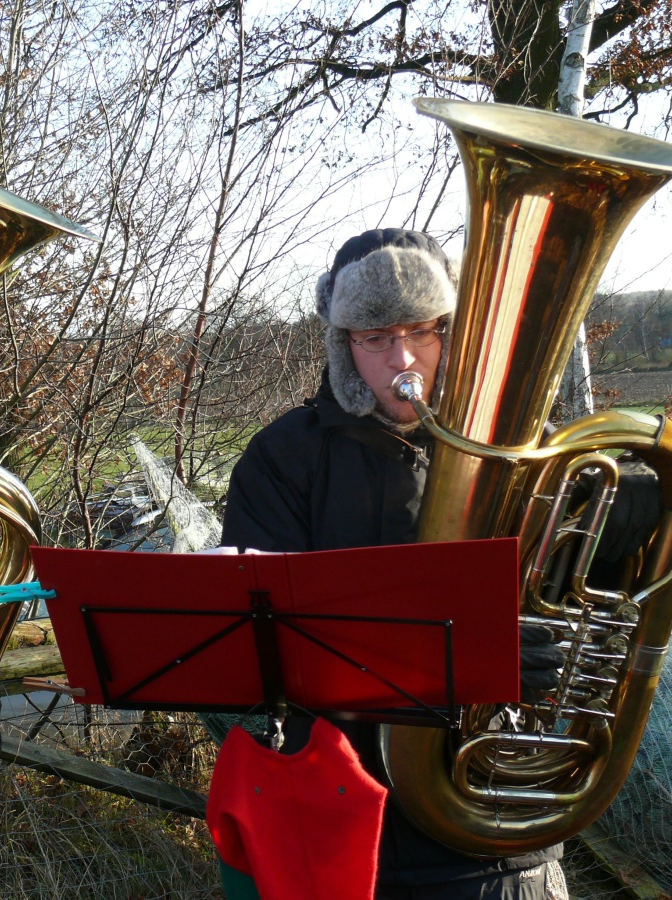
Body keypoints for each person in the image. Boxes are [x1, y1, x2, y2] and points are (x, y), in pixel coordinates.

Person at [219, 229, 565, 899]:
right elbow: (267, 660)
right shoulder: (283, 458)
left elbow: (589, 602)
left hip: (502, 821)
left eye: (421, 331)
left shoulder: (523, 446)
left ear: (451, 332)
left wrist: (635, 525)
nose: (402, 358)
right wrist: (457, 654)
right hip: (350, 831)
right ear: (343, 345)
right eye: (374, 338)